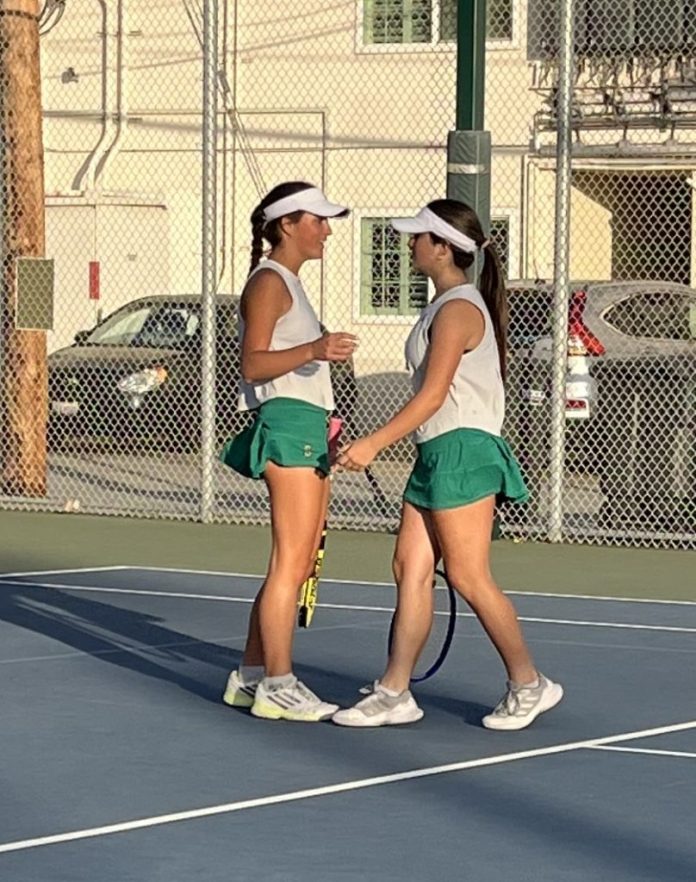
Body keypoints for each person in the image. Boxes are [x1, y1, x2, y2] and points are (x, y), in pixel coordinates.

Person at [332, 199, 563, 730]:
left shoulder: (459, 310)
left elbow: (434, 395)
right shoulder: (440, 306)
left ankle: (529, 683)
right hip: (436, 452)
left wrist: (373, 443)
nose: (409, 243)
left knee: (466, 574)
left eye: (418, 236)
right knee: (409, 569)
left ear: (442, 247)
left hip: (464, 450)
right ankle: (394, 691)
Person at [220, 181, 357, 722]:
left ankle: (251, 675)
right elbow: (252, 363)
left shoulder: (289, 284)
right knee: (291, 562)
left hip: (308, 426)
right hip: (287, 426)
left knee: (293, 562)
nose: (326, 231)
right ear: (287, 225)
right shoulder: (269, 282)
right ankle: (279, 683)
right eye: (317, 221)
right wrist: (316, 348)